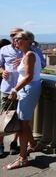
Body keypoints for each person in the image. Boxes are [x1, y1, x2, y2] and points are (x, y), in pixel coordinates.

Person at [0, 28, 45, 158]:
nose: (14, 40)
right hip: (17, 89)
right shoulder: (23, 53)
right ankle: (31, 146)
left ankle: (23, 156)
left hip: (26, 90)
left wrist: (15, 89)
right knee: (18, 121)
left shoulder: (30, 54)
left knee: (23, 123)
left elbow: (30, 76)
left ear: (27, 41)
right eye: (13, 37)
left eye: (17, 38)